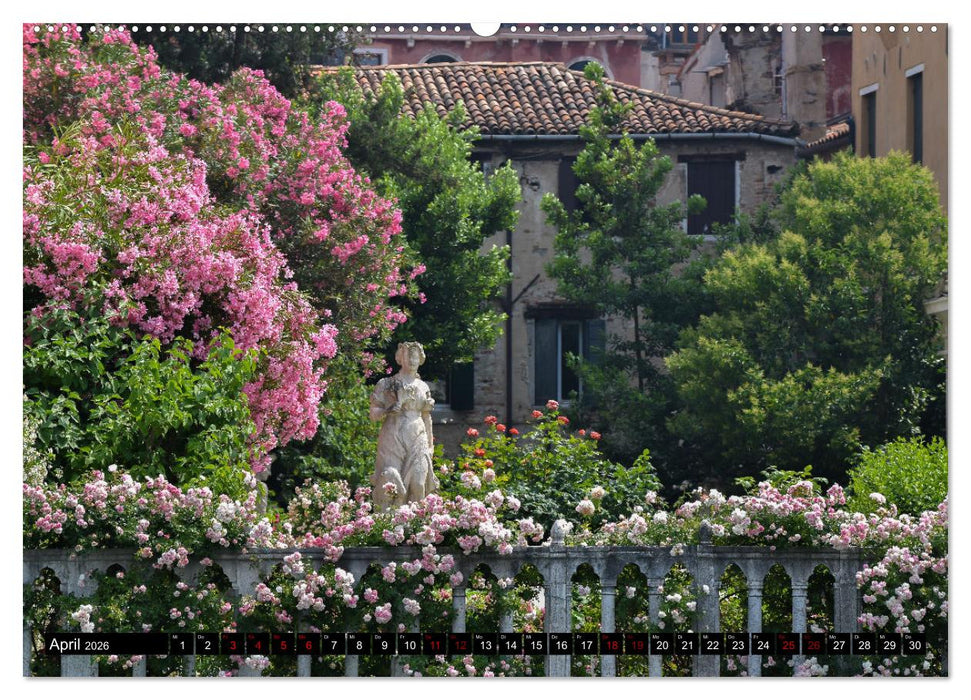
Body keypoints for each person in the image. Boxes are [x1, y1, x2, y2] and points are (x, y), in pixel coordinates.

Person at [369, 341, 438, 510]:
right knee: (392, 482)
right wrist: (388, 410)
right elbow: (373, 414)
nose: (412, 361)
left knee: (419, 483)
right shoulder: (387, 384)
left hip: (418, 435)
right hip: (393, 436)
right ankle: (389, 520)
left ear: (420, 359)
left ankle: (417, 522)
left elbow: (426, 416)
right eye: (409, 356)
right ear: (401, 358)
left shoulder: (423, 387)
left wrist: (430, 445)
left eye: (416, 357)